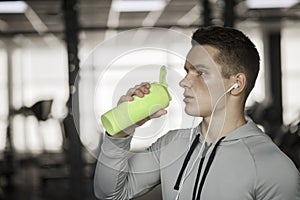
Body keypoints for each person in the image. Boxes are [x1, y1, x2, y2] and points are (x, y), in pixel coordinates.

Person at [94, 26, 300, 200]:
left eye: (200, 73)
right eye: (187, 71)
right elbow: (112, 194)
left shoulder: (273, 168)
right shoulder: (171, 144)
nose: (184, 82)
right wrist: (122, 128)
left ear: (236, 84)